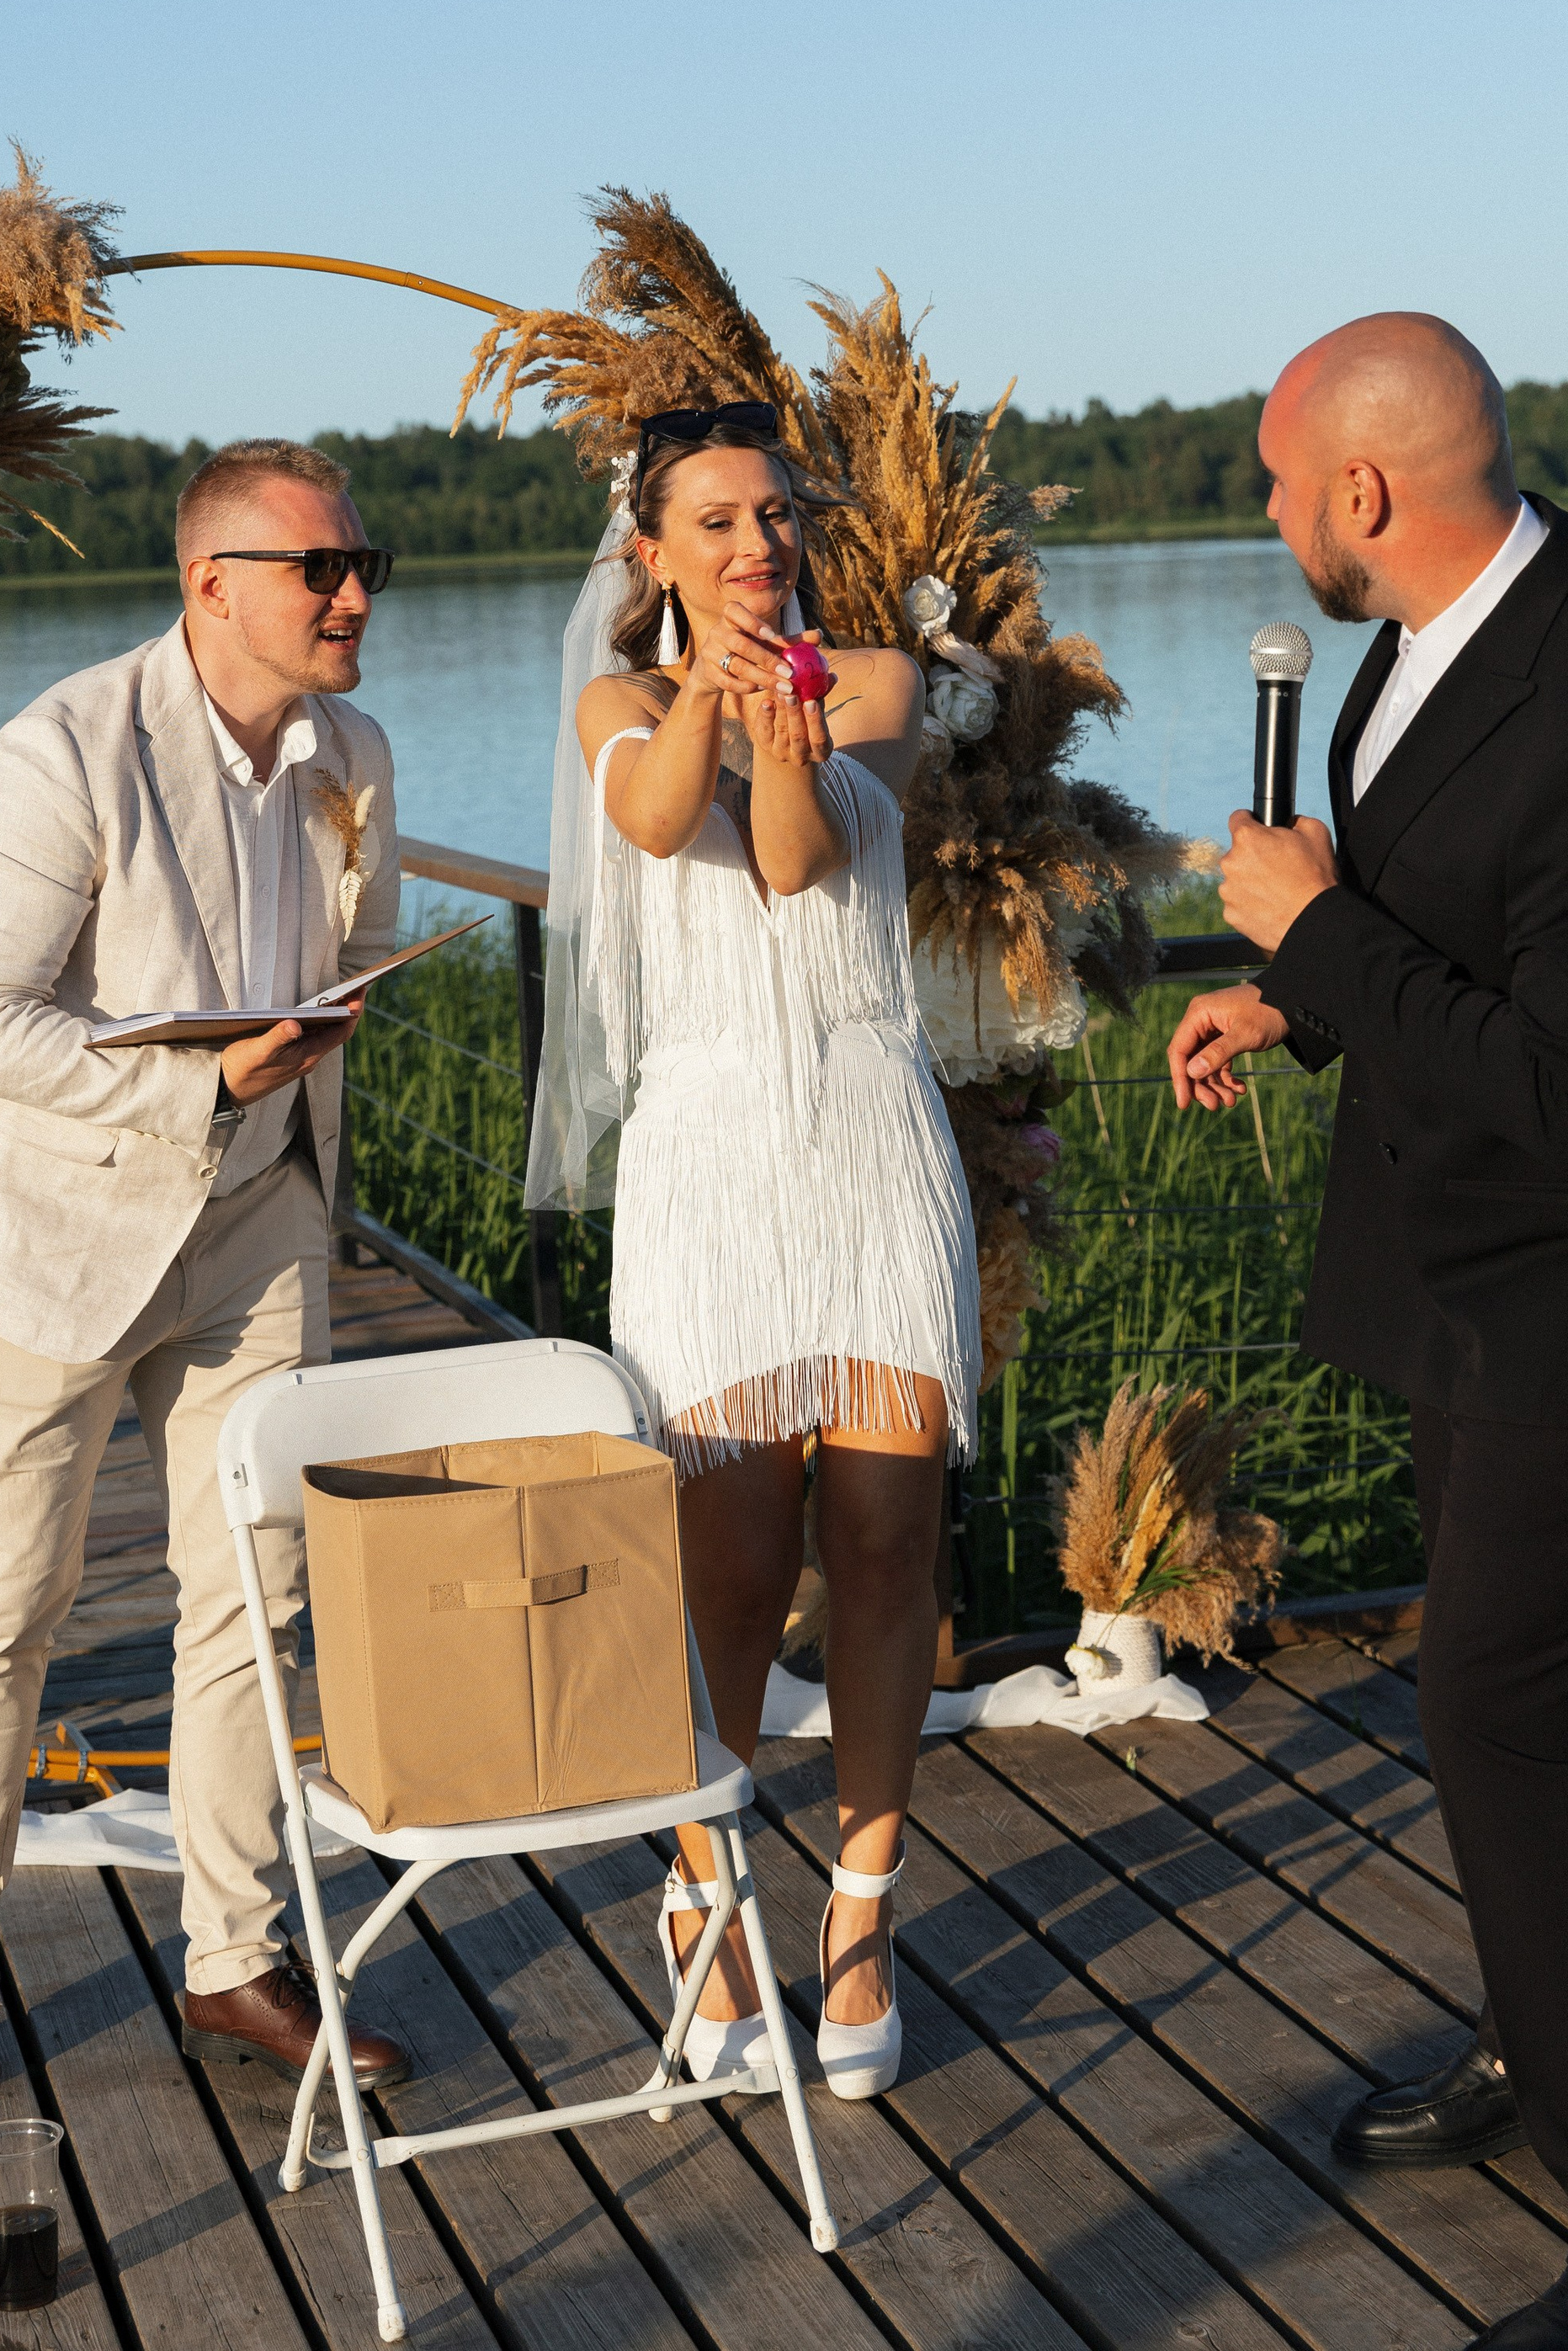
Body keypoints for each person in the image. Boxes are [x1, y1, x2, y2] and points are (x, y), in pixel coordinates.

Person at [1167, 316, 1568, 2351]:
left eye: (1276, 481)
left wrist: (1310, 933)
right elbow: (1462, 926)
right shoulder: (1425, 639)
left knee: (1507, 1725)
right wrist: (1298, 998)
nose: (1265, 516)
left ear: (1361, 491)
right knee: (1557, 1726)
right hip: (1464, 1282)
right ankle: (1549, 2049)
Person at [0, 438, 414, 2120]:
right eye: (318, 568)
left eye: (361, 564)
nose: (350, 596)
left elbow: (353, 956)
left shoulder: (355, 752)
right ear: (210, 585)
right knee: (0, 1603)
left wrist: (302, 1078)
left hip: (254, 1222)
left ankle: (236, 1957)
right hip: (53, 1236)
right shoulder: (61, 755)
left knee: (257, 1590)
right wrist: (197, 1083)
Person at [539, 401, 976, 2102]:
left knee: (882, 1540)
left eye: (776, 515)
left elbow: (791, 859)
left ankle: (858, 1910)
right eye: (714, 521)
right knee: (724, 1566)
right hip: (712, 1152)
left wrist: (777, 704)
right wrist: (710, 697)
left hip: (868, 1131)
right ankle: (704, 1886)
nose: (754, 546)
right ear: (649, 550)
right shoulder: (614, 701)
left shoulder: (870, 680)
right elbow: (656, 823)